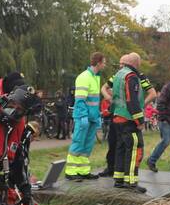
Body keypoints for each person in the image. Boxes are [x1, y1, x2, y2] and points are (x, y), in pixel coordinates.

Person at [97, 56, 156, 177]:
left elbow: (152, 93)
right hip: (119, 114)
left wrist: (141, 106)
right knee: (115, 143)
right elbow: (104, 88)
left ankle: (122, 175)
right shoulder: (119, 75)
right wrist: (109, 98)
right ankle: (114, 170)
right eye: (119, 63)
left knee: (126, 147)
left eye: (122, 63)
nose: (120, 66)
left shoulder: (138, 76)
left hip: (128, 114)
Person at [65, 52, 106, 180]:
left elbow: (94, 100)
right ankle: (71, 171)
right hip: (84, 117)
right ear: (98, 63)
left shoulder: (95, 77)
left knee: (87, 145)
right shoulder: (84, 77)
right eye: (104, 62)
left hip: (92, 117)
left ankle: (83, 170)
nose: (105, 65)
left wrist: (97, 116)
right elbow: (80, 99)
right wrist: (83, 116)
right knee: (78, 142)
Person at [111, 52, 147, 193]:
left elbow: (114, 96)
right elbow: (132, 100)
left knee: (121, 149)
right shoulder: (131, 76)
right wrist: (140, 120)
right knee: (134, 149)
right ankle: (131, 182)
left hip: (117, 117)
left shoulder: (119, 74)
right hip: (128, 119)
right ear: (136, 63)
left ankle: (119, 179)